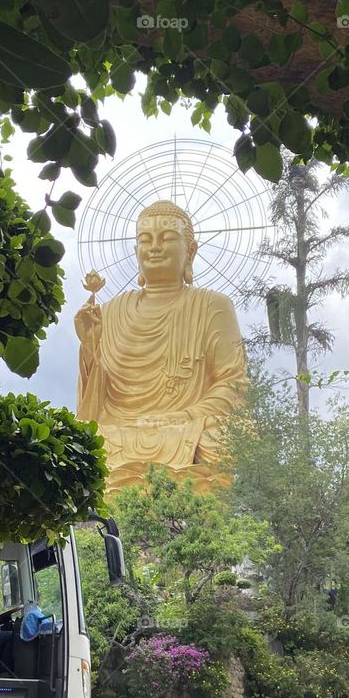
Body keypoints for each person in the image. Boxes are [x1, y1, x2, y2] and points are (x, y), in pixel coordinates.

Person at [75, 200, 247, 490]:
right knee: (81, 441)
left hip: (187, 427)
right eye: (145, 240)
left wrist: (180, 417)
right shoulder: (112, 311)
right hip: (120, 430)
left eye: (166, 239)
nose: (154, 248)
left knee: (227, 438)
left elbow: (234, 384)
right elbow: (93, 409)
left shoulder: (214, 306)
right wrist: (90, 348)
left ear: (190, 251)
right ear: (136, 251)